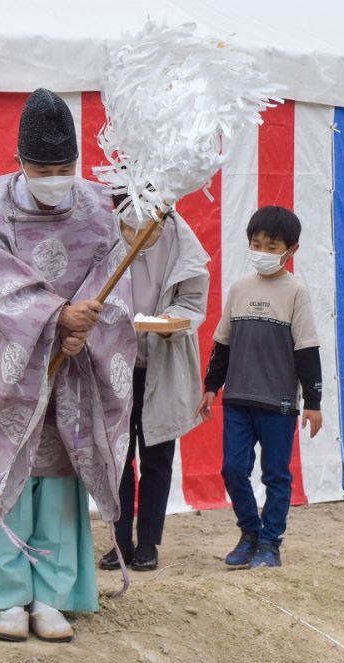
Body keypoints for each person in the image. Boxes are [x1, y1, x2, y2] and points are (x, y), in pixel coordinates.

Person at [0, 88, 136, 643]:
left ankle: (53, 592)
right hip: (4, 360)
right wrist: (54, 316)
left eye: (65, 167)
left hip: (73, 360)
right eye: (43, 168)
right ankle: (3, 591)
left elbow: (112, 277)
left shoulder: (96, 208)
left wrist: (87, 322)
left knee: (59, 475)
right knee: (4, 468)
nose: (55, 177)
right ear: (19, 162)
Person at [197, 206, 323, 569]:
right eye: (257, 244)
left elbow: (307, 348)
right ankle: (250, 531)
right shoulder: (239, 288)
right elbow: (223, 343)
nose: (263, 252)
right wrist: (210, 386)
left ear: (291, 250)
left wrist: (313, 401)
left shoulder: (296, 292)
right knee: (233, 469)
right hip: (237, 397)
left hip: (279, 402)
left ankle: (270, 543)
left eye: (272, 246)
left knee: (275, 474)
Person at [99, 200, 209, 572]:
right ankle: (118, 541)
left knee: (157, 457)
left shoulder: (180, 237)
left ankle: (148, 542)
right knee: (116, 456)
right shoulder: (106, 231)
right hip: (115, 362)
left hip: (161, 360)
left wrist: (172, 318)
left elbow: (193, 298)